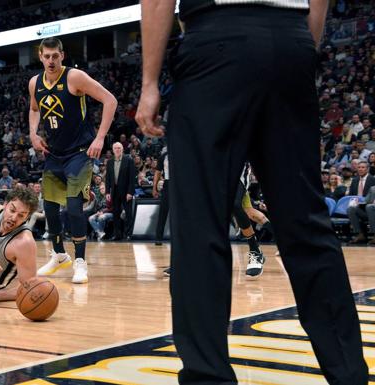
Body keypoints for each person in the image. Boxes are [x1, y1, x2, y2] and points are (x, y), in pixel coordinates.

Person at [135, 1, 368, 384]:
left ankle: (208, 378)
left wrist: (148, 82)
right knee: (307, 226)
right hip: (290, 40)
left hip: (216, 42)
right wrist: (298, 46)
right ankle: (349, 375)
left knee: (201, 227)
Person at [29, 37, 117, 284]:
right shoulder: (34, 83)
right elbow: (34, 109)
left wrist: (100, 138)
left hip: (80, 152)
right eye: (46, 56)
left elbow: (110, 100)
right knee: (49, 208)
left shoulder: (74, 77)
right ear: (40, 56)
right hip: (54, 154)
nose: (51, 61)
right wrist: (33, 133)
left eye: (55, 56)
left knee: (74, 207)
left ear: (62, 56)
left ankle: (80, 262)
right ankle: (59, 255)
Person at [105, 142, 136, 240]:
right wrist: (107, 192)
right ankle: (117, 234)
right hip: (115, 191)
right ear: (113, 150)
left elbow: (132, 178)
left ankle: (128, 234)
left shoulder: (129, 160)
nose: (117, 150)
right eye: (115, 148)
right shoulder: (110, 162)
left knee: (128, 213)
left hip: (126, 191)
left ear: (122, 149)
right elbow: (108, 179)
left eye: (119, 148)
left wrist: (130, 192)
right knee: (116, 214)